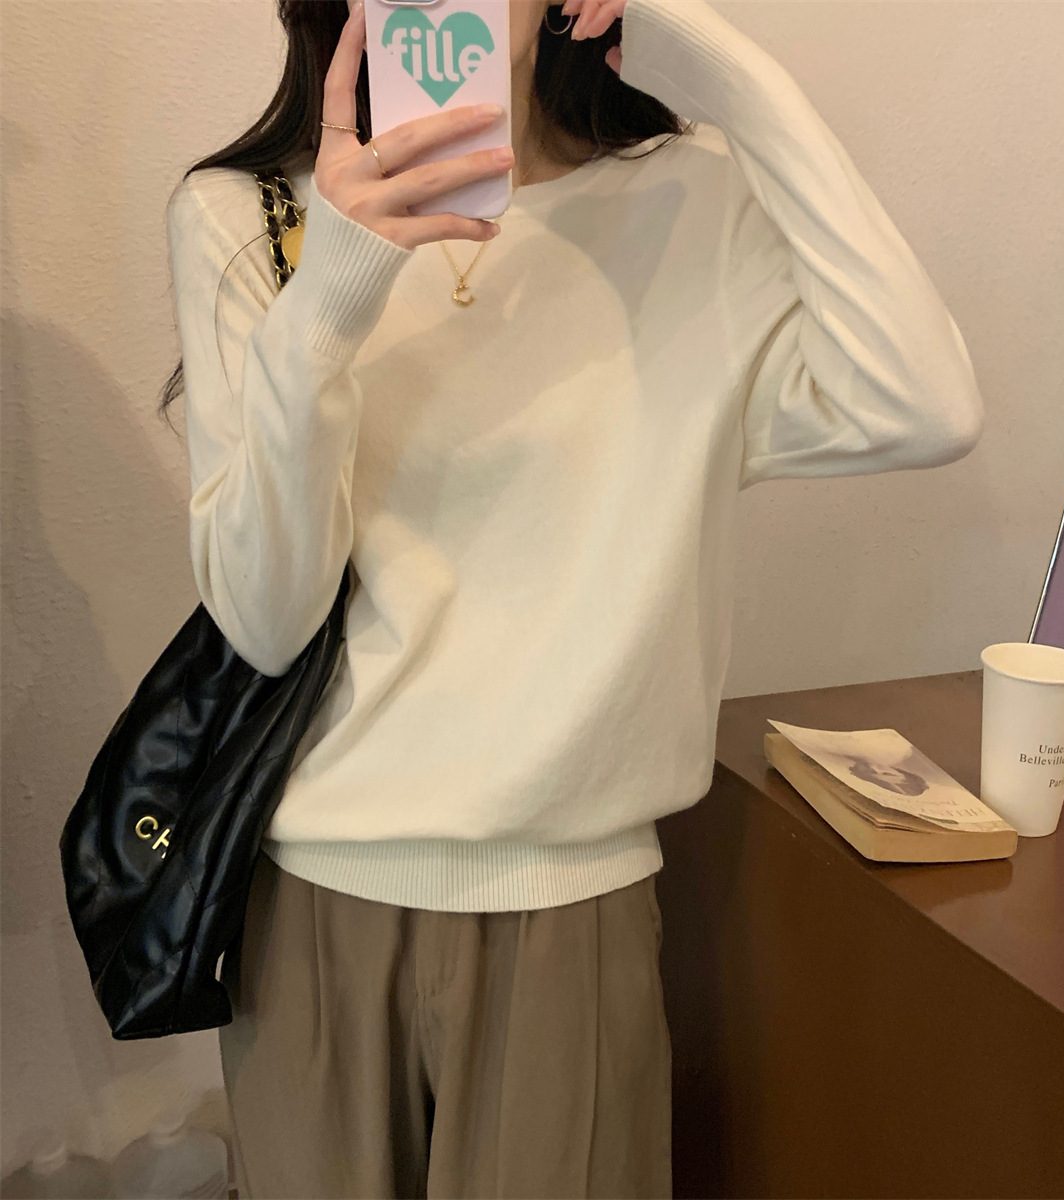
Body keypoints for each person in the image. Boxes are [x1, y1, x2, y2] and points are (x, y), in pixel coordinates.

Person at [161, 0, 984, 1194]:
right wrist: (329, 300)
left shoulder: (692, 203)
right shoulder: (249, 217)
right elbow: (264, 619)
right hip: (312, 919)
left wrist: (718, 66)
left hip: (572, 908)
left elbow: (925, 406)